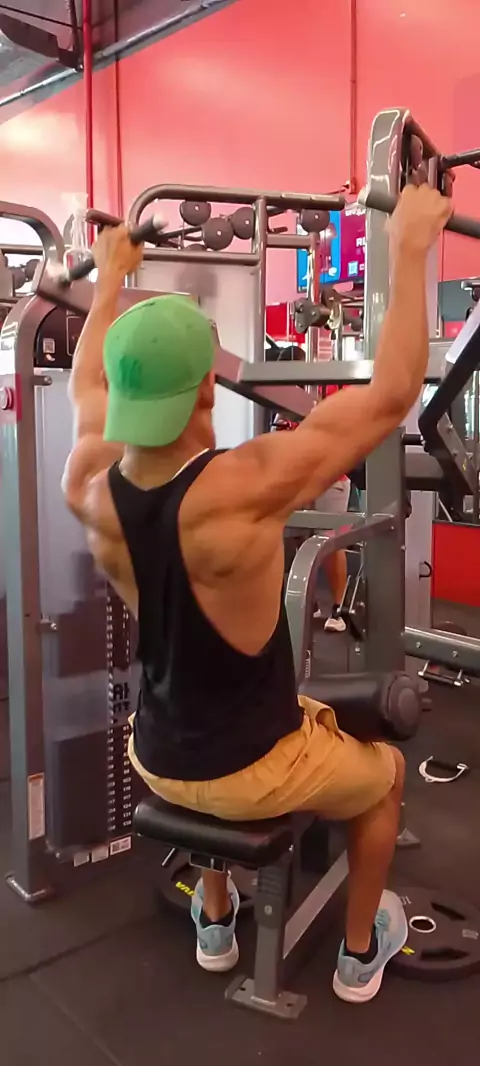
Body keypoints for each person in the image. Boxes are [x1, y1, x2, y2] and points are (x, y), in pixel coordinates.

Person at [62, 184, 452, 1003]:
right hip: (251, 767)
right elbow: (391, 395)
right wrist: (412, 245)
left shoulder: (89, 485)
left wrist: (108, 281)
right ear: (207, 391)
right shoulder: (241, 487)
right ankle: (360, 955)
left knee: (251, 736)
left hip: (155, 752)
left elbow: (84, 392)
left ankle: (215, 919)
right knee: (384, 775)